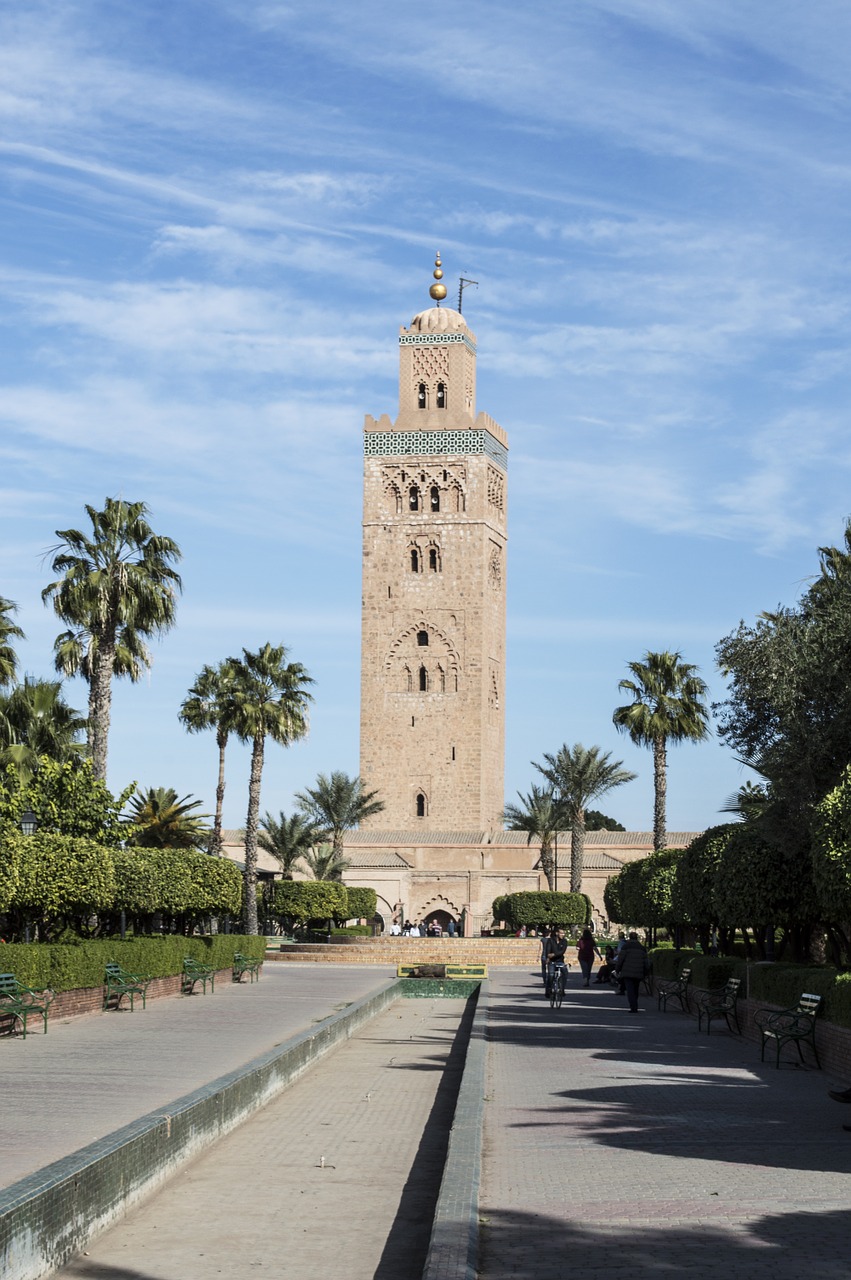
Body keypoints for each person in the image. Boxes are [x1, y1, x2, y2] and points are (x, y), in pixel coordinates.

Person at [615, 931, 650, 1012]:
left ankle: (633, 1006)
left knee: (630, 990)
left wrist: (617, 969)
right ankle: (635, 1004)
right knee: (636, 989)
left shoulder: (626, 947)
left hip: (627, 971)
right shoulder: (642, 948)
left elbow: (620, 959)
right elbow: (646, 961)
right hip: (638, 971)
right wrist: (646, 971)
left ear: (629, 937)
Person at [543, 927, 570, 995]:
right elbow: (548, 951)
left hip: (560, 961)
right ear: (557, 933)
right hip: (552, 961)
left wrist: (554, 954)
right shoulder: (551, 940)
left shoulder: (564, 941)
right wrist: (548, 957)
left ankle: (562, 989)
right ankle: (548, 989)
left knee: (565, 973)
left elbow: (562, 952)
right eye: (561, 933)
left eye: (563, 933)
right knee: (551, 975)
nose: (563, 935)